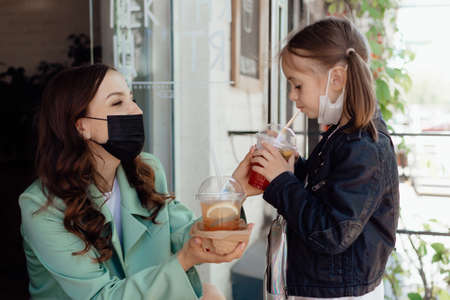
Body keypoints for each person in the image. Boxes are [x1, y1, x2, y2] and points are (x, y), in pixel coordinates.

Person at [19, 64, 249, 300]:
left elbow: (184, 233)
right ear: (81, 127)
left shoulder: (146, 170)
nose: (136, 110)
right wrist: (185, 259)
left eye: (132, 99)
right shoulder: (40, 208)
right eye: (117, 103)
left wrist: (234, 195)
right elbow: (99, 296)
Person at [233, 17, 399, 299]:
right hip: (317, 286)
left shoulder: (366, 147)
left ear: (336, 79)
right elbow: (323, 194)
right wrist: (294, 168)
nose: (292, 95)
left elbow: (332, 232)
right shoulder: (340, 136)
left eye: (298, 85)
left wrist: (282, 181)